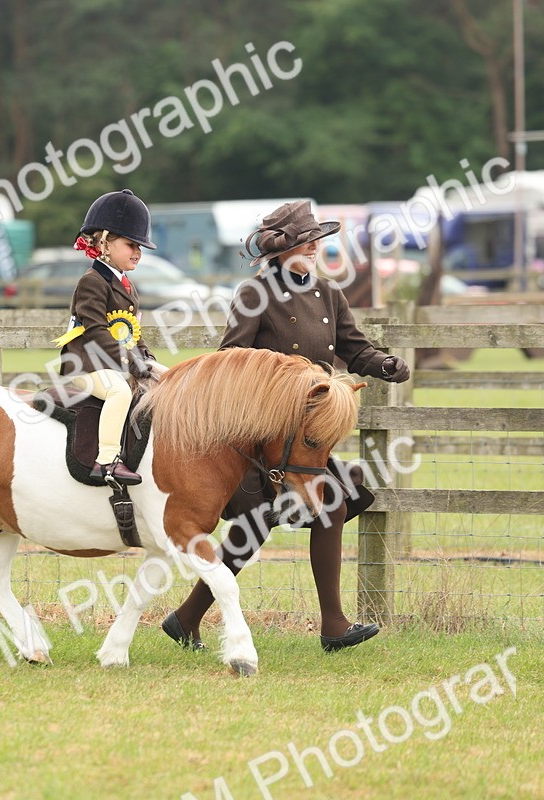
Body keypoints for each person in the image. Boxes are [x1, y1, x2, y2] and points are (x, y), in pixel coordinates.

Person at [161, 200, 411, 653]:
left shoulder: (329, 294)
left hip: (306, 436)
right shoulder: (254, 294)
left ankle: (194, 619)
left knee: (318, 506)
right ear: (284, 249)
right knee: (256, 526)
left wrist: (384, 364)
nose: (316, 248)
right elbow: (231, 360)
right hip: (262, 439)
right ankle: (188, 619)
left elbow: (354, 349)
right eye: (308, 241)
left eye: (317, 240)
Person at [57, 189, 163, 485]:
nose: (138, 252)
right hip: (85, 365)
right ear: (105, 242)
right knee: (119, 391)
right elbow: (96, 331)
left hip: (113, 363)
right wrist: (130, 362)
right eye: (131, 244)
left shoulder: (127, 286)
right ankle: (106, 461)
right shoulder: (91, 282)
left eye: (140, 247)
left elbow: (132, 330)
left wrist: (148, 360)